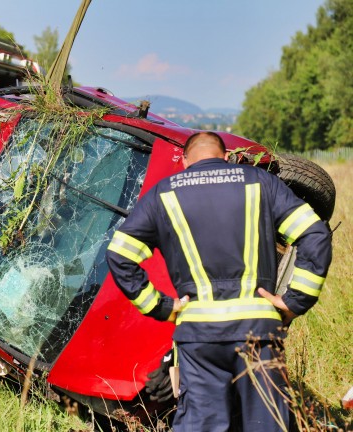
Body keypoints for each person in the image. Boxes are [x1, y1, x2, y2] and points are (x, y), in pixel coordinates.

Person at [106, 131, 332, 431]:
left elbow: (120, 254)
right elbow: (314, 234)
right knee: (267, 423)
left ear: (185, 161)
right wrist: (294, 302)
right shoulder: (258, 182)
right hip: (258, 332)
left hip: (199, 335)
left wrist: (161, 307)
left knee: (202, 424)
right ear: (225, 156)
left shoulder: (164, 194)